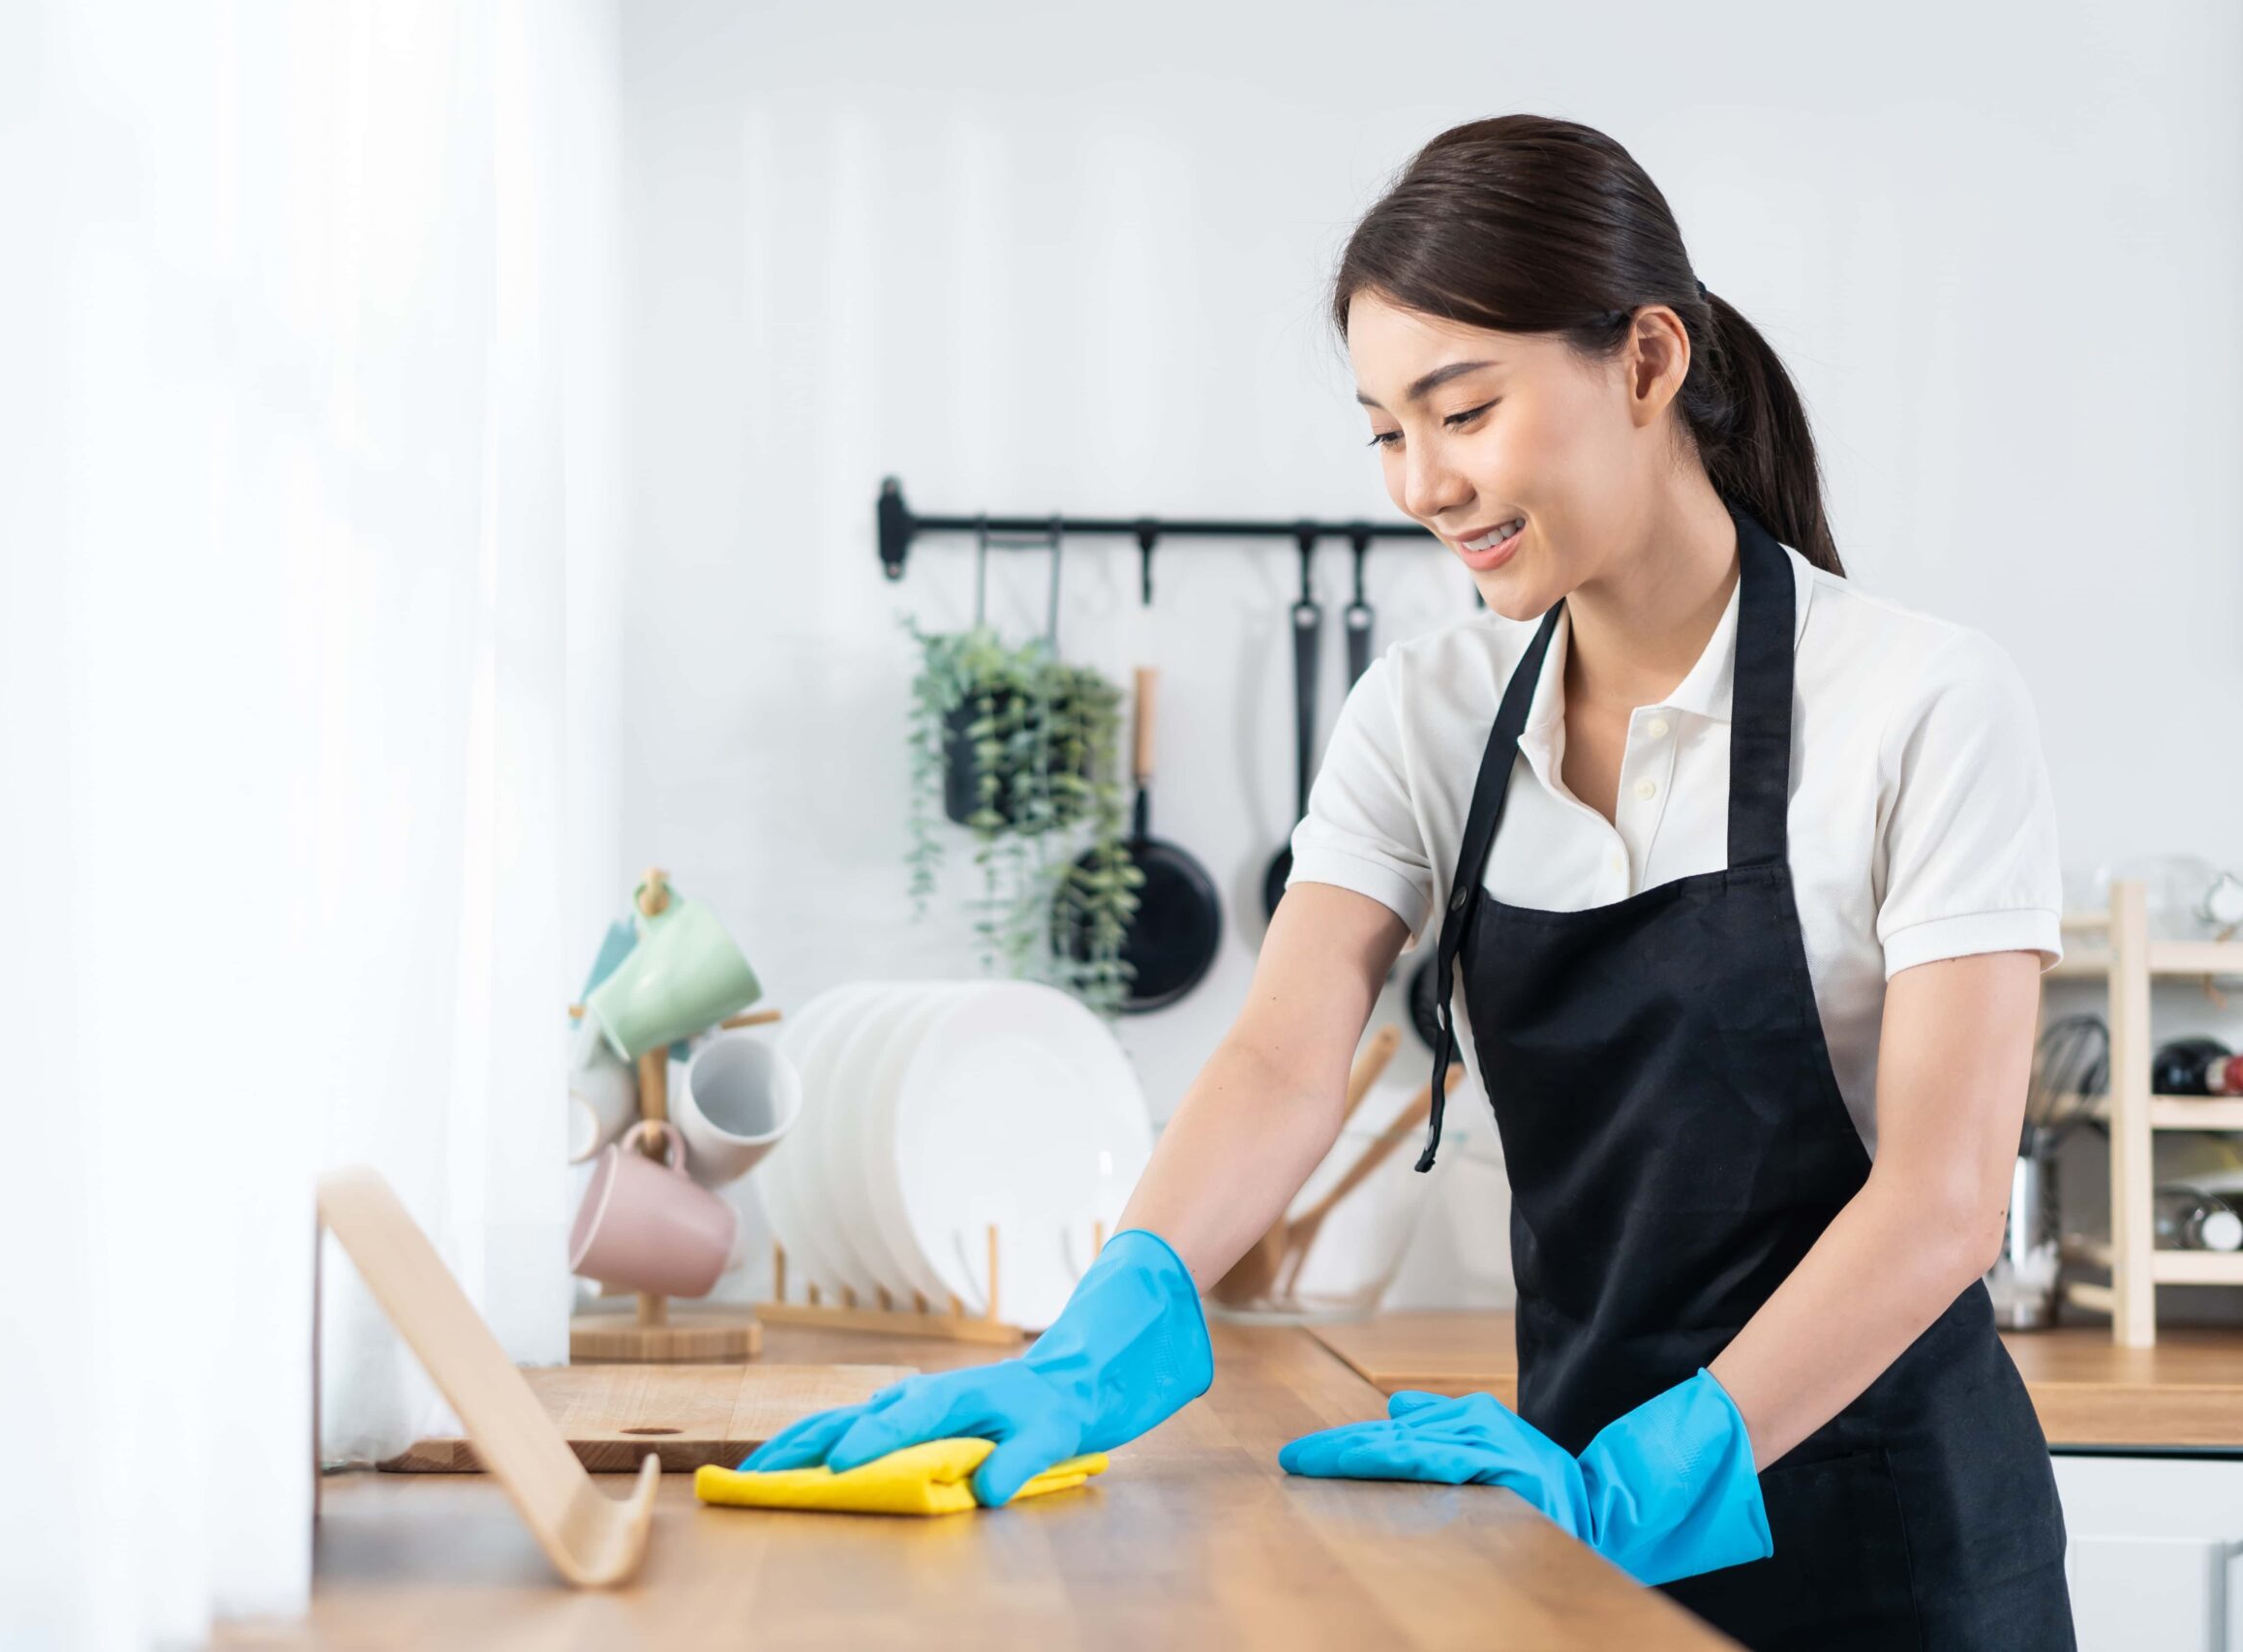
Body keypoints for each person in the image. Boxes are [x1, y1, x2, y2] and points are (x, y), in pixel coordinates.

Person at [741, 113, 2074, 1649]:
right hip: (1557, 1519)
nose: (1423, 483)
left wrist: (1657, 1475)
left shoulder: (1921, 702)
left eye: (1464, 411)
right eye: (1385, 430)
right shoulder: (1426, 715)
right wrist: (1112, 1324)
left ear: (1647, 362)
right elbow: (1283, 1052)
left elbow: (1946, 1198)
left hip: (1891, 1543)